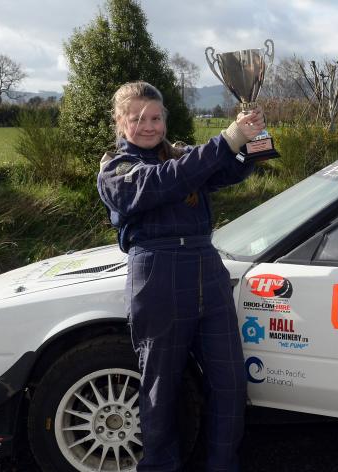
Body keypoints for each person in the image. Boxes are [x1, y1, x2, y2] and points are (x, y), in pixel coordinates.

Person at [97, 81, 264, 471]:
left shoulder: (182, 156)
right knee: (162, 387)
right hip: (158, 273)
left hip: (207, 266)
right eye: (137, 119)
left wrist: (254, 138)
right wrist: (228, 137)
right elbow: (164, 181)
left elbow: (227, 172)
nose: (149, 126)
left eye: (155, 117)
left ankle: (222, 465)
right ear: (120, 122)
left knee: (230, 384)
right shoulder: (115, 168)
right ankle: (159, 466)